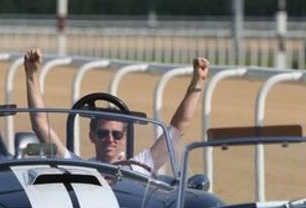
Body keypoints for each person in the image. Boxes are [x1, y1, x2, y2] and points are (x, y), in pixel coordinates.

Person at [23, 47, 209, 174]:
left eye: (117, 135)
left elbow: (178, 129)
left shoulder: (140, 167)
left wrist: (197, 84)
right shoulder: (78, 167)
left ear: (125, 138)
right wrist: (31, 75)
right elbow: (40, 124)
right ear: (92, 136)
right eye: (103, 134)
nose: (110, 140)